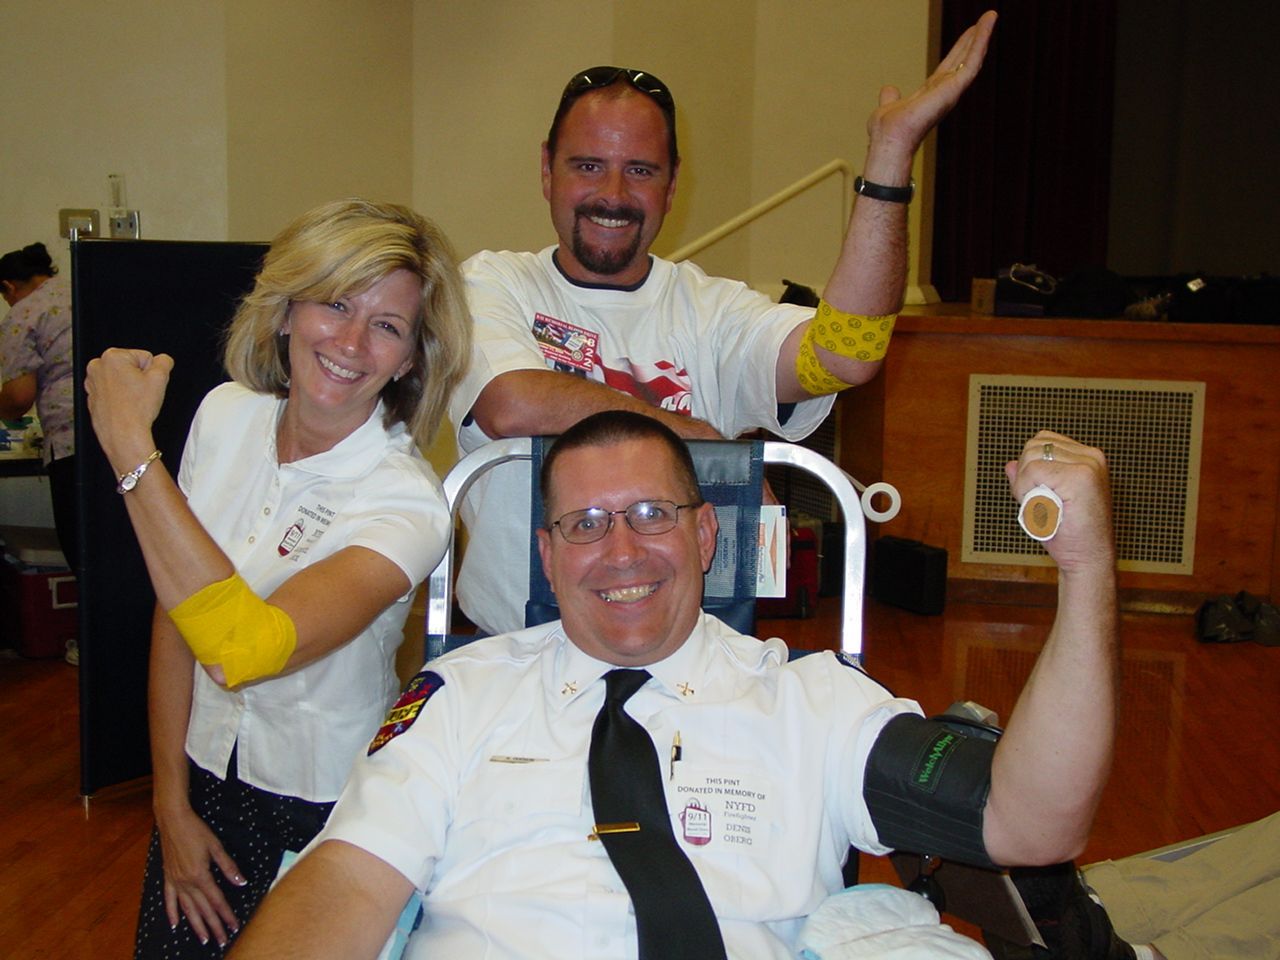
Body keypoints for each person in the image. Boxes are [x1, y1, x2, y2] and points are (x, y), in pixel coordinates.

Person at [228, 410, 1118, 960]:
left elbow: (1032, 823)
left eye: (652, 515)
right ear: (547, 555)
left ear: (707, 536)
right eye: (585, 524)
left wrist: (1084, 568)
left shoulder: (810, 702)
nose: (621, 551)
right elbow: (346, 885)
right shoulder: (460, 695)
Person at [450, 11, 999, 636]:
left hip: (691, 661)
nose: (613, 193)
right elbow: (512, 402)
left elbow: (846, 355)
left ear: (672, 185)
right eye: (588, 165)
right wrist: (695, 438)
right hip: (514, 652)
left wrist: (890, 161)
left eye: (640, 170)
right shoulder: (489, 283)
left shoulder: (712, 310)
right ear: (548, 170)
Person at [83, 198, 472, 958]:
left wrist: (128, 442)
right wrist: (170, 803)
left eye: (387, 326)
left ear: (410, 359)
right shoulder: (225, 415)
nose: (351, 343)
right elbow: (177, 614)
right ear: (288, 308)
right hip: (199, 779)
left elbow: (246, 648)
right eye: (336, 303)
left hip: (325, 813)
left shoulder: (407, 504)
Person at [0, 243, 78, 574]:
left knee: (79, 543)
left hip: (70, 443)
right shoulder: (81, 290)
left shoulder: (24, 313)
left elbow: (18, 398)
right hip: (123, 434)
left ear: (9, 287)